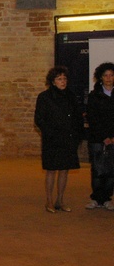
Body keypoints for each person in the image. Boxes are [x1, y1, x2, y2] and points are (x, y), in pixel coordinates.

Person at [34, 66, 84, 212]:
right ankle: (49, 201)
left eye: (64, 79)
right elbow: (39, 119)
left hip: (68, 138)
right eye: (59, 79)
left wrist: (77, 134)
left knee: (64, 170)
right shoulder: (44, 97)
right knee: (51, 170)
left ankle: (60, 200)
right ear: (53, 81)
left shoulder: (71, 96)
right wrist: (50, 133)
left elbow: (77, 117)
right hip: (52, 138)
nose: (63, 81)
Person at [85, 61, 114, 210]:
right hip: (97, 138)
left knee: (111, 170)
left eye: (111, 75)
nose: (108, 78)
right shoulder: (94, 96)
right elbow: (92, 117)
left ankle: (107, 198)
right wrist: (104, 136)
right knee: (97, 169)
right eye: (105, 75)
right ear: (100, 77)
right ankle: (96, 198)